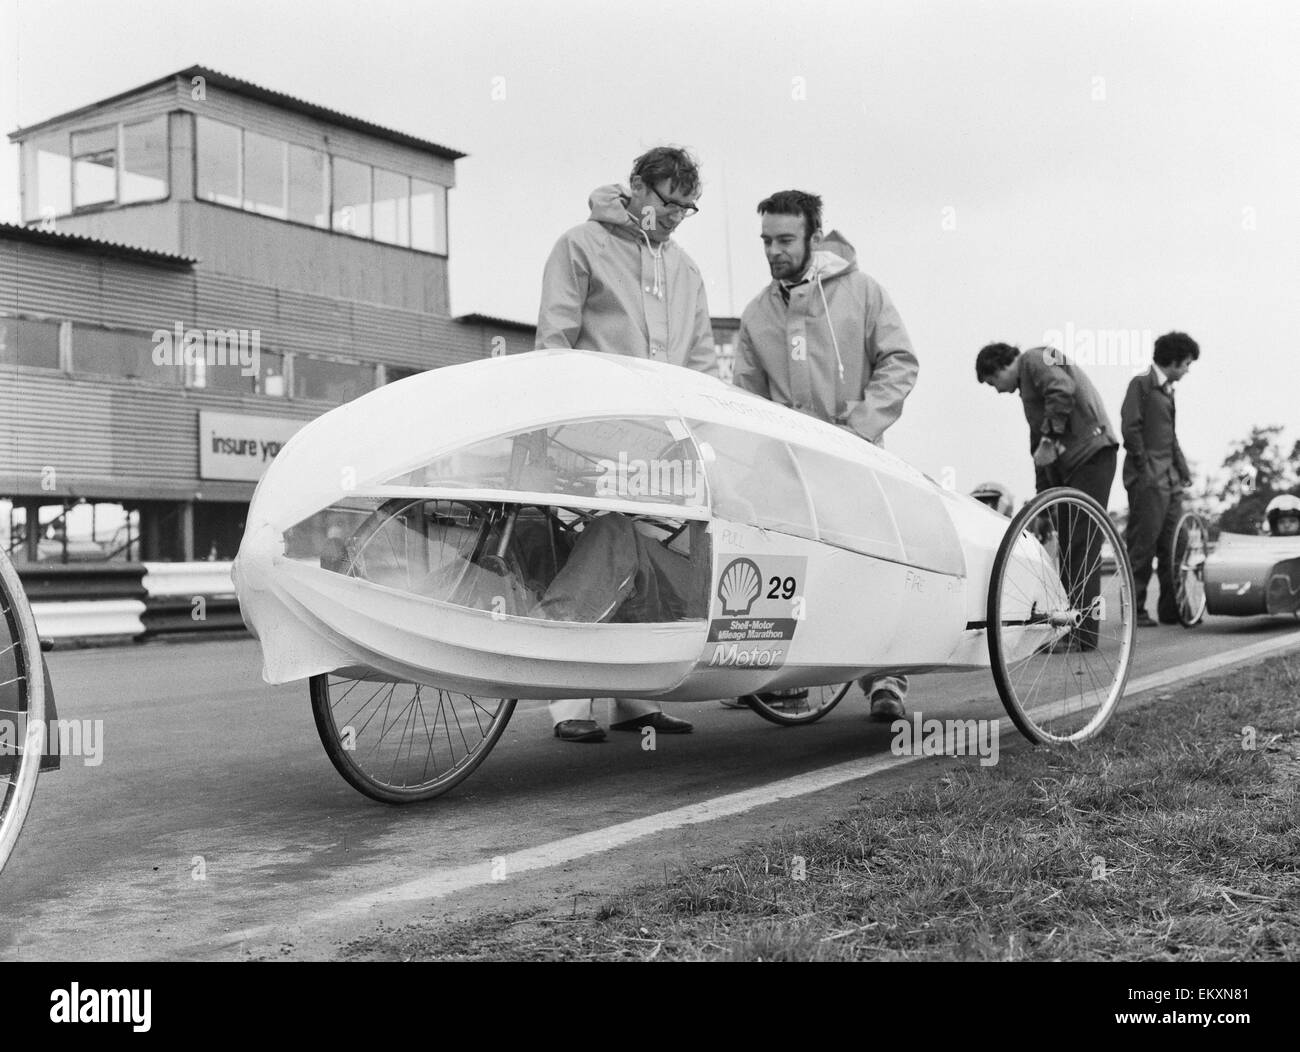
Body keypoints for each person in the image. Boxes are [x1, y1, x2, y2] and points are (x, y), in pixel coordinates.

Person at [536, 145, 716, 742]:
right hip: (591, 432)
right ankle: (568, 698)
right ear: (635, 186)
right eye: (668, 204)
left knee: (649, 549)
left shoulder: (686, 270)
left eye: (686, 210)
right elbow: (554, 343)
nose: (673, 218)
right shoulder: (580, 245)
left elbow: (701, 361)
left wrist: (701, 432)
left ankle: (634, 698)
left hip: (661, 443)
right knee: (594, 544)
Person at [730, 189, 919, 721]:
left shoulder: (862, 292)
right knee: (793, 574)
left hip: (859, 464)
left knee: (869, 573)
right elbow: (744, 400)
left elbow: (900, 362)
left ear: (815, 237)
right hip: (788, 474)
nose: (773, 251)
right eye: (766, 240)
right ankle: (786, 679)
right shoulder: (756, 314)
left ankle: (885, 681)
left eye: (785, 239)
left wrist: (859, 427)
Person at [976, 341, 1119, 650]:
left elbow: (1062, 390)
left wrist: (1051, 436)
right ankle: (1071, 626)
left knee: (1081, 543)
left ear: (999, 367)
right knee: (1069, 545)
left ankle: (1081, 634)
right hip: (1075, 464)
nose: (998, 391)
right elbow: (1039, 449)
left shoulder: (1035, 358)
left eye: (992, 383)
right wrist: (1042, 498)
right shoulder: (1028, 386)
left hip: (1091, 455)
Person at [1119, 331, 1199, 626]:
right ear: (1174, 361)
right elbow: (1130, 427)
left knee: (1175, 542)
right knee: (1143, 543)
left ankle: (1172, 607)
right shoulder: (1142, 383)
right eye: (1187, 363)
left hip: (1170, 478)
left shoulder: (1167, 391)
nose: (1187, 370)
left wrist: (1182, 468)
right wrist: (1144, 466)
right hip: (1149, 477)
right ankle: (1134, 609)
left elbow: (1170, 435)